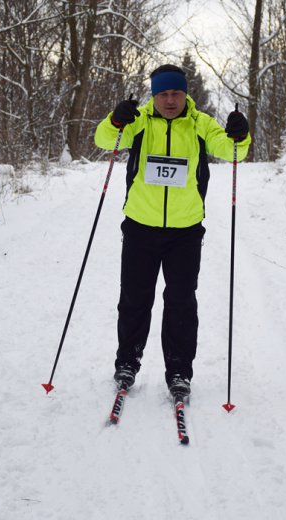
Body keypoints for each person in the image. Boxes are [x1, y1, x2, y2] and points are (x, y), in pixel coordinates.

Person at [94, 64, 250, 400]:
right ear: (154, 94)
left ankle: (179, 371)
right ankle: (127, 364)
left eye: (176, 93)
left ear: (185, 93)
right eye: (163, 93)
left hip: (185, 231)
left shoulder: (200, 123)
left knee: (181, 303)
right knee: (134, 301)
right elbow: (105, 139)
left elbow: (232, 150)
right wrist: (116, 119)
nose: (169, 100)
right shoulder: (138, 120)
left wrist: (240, 133)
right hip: (139, 225)